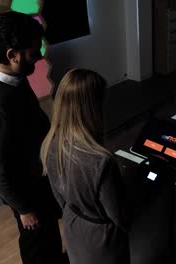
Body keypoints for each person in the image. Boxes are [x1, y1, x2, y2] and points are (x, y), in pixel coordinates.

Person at [0, 12, 66, 263]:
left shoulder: (6, 71)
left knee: (49, 238)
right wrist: (24, 209)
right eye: (33, 53)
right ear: (12, 54)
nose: (38, 57)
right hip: (28, 190)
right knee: (37, 243)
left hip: (36, 173)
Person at [40, 69, 130, 264]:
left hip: (73, 226)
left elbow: (60, 199)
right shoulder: (101, 161)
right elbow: (119, 216)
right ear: (92, 108)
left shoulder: (50, 145)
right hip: (103, 241)